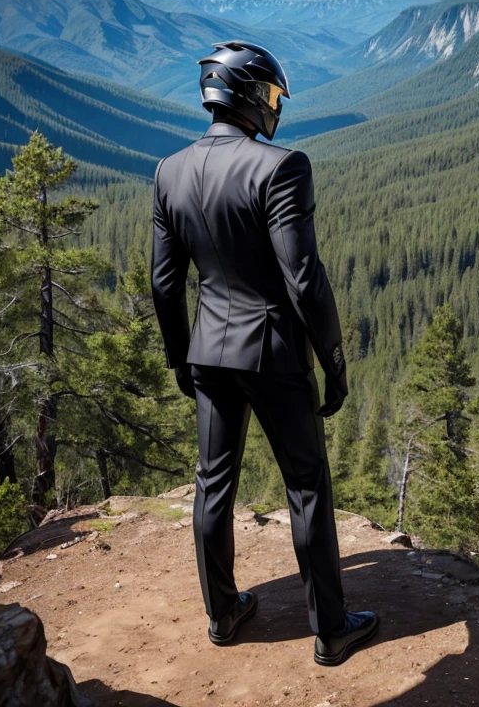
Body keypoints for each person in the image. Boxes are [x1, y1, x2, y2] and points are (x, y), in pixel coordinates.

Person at [149, 40, 379, 665]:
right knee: (306, 486)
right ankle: (331, 630)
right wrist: (332, 359)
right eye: (274, 95)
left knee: (211, 484)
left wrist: (180, 359)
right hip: (274, 354)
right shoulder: (281, 167)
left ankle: (223, 614)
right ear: (252, 96)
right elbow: (303, 278)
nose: (277, 107)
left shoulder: (169, 171)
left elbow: (165, 284)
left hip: (208, 353)